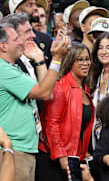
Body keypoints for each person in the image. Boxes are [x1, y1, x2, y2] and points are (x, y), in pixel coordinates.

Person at [0, 24, 69, 181]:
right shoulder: (2, 70)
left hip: (23, 149)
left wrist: (39, 60)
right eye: (16, 39)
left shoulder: (13, 68)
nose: (21, 42)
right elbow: (44, 93)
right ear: (3, 46)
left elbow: (46, 90)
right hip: (11, 149)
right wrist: (56, 59)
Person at [37, 43, 94, 181]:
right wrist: (61, 155)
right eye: (80, 60)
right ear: (69, 62)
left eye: (87, 59)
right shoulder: (60, 87)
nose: (85, 63)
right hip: (54, 160)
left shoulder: (86, 89)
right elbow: (50, 124)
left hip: (73, 158)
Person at [9, 0, 53, 64]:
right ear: (18, 11)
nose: (35, 8)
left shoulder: (45, 39)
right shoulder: (9, 42)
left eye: (35, 4)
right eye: (29, 5)